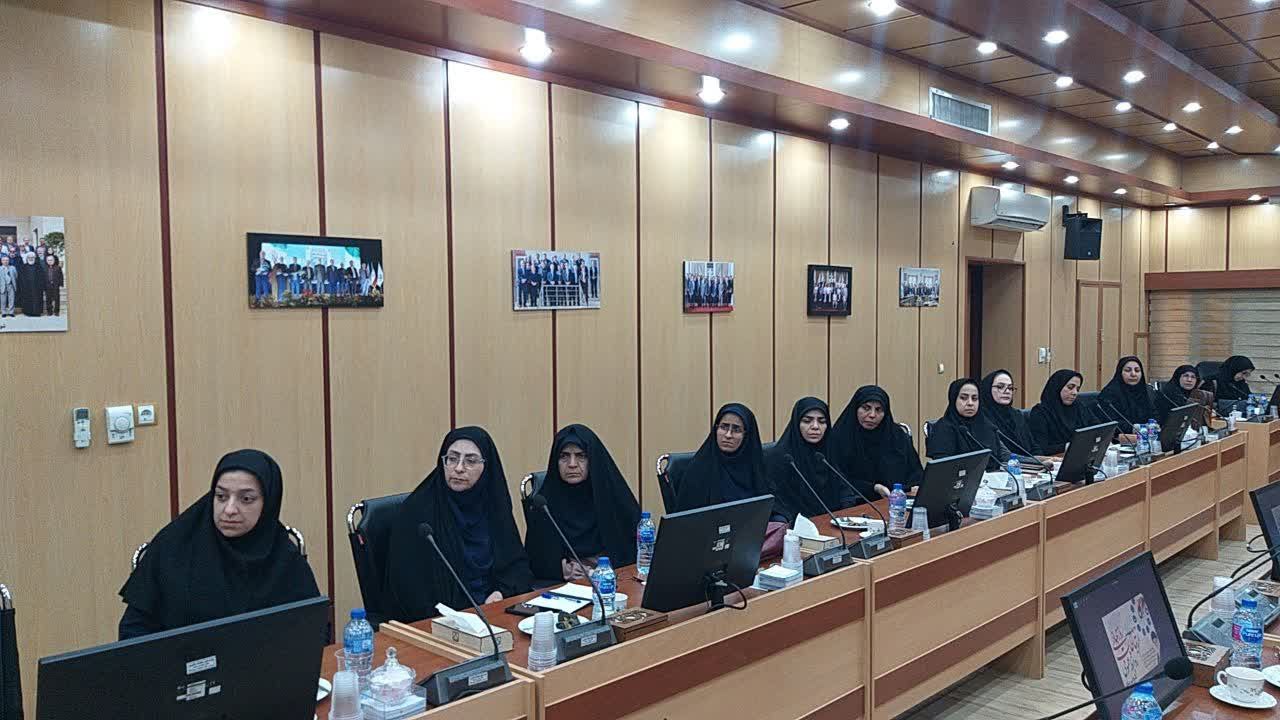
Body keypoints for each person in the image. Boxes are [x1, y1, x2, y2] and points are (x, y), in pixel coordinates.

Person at [117, 450, 319, 640]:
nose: (229, 509)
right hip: (180, 663)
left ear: (268, 503)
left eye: (246, 499)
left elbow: (314, 629)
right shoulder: (173, 547)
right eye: (221, 496)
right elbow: (133, 631)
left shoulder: (283, 555)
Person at [382, 427, 533, 622]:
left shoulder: (493, 506)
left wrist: (500, 593)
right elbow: (409, 588)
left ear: (487, 466)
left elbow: (517, 567)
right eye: (452, 459)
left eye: (470, 461)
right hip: (441, 621)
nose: (459, 468)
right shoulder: (418, 512)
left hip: (494, 613)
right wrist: (458, 618)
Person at [524, 425, 641, 583]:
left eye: (581, 456)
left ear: (592, 460)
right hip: (565, 587)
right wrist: (561, 570)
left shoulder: (612, 496)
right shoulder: (544, 505)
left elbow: (635, 548)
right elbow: (533, 560)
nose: (572, 464)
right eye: (564, 456)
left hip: (615, 581)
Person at [766, 397, 858, 524]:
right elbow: (779, 504)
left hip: (834, 523)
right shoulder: (780, 457)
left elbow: (844, 490)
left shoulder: (828, 453)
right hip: (797, 527)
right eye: (807, 421)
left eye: (822, 421)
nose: (815, 427)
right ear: (796, 423)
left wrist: (846, 512)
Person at [827, 386, 923, 499]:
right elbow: (838, 481)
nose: (872, 415)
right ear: (855, 408)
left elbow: (916, 473)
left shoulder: (897, 436)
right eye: (866, 408)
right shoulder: (840, 437)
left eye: (878, 410)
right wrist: (873, 488)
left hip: (898, 501)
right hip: (857, 502)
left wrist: (915, 486)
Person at [926, 378, 1011, 471]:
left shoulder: (987, 426)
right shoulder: (943, 428)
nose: (970, 403)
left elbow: (1004, 456)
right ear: (953, 399)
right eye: (963, 398)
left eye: (974, 398)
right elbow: (942, 467)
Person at [979, 370, 1040, 458]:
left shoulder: (1017, 415)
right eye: (1000, 387)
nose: (1007, 391)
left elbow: (1033, 446)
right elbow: (1002, 455)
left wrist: (1042, 460)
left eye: (1010, 388)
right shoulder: (982, 417)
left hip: (1031, 464)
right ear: (987, 389)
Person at [1028, 370, 1089, 455]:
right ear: (1057, 387)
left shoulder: (1079, 407)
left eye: (1077, 389)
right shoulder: (1040, 412)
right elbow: (1041, 448)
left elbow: (1097, 428)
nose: (1075, 393)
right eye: (1070, 387)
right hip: (1054, 459)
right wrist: (1066, 446)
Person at [1097, 356, 1156, 436]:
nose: (1133, 374)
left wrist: (1153, 425)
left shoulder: (1147, 391)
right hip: (1120, 439)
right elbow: (1109, 422)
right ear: (1120, 372)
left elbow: (1156, 414)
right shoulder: (1109, 394)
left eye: (1137, 370)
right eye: (1128, 370)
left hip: (1148, 437)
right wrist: (1135, 428)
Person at [16, 252, 44, 317]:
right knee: (27, 300)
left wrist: (41, 286)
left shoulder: (38, 266)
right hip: (26, 287)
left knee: (37, 300)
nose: (31, 258)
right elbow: (20, 278)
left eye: (32, 257)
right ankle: (27, 312)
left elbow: (42, 277)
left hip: (36, 288)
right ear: (27, 258)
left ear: (34, 258)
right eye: (29, 257)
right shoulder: (23, 267)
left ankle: (37, 312)